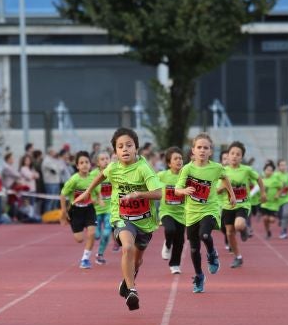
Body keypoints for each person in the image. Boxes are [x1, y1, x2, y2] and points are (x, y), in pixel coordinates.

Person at [75, 127, 163, 311]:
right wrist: (88, 192)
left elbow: (159, 193)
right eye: (120, 146)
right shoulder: (113, 167)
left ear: (136, 148)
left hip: (145, 221)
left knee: (137, 261)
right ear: (115, 151)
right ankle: (132, 290)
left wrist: (138, 194)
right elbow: (101, 175)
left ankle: (128, 280)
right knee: (127, 247)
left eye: (129, 145)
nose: (124, 149)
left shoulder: (143, 168)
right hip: (122, 217)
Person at [175, 133, 236, 293]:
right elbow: (176, 189)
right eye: (199, 147)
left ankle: (211, 253)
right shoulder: (187, 169)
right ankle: (199, 276)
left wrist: (232, 194)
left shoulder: (216, 168)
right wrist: (184, 190)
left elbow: (225, 178)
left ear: (211, 151)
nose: (202, 150)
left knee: (205, 235)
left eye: (206, 148)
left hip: (210, 209)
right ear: (193, 151)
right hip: (191, 212)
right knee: (194, 249)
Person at [220, 141, 266, 268]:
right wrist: (223, 187)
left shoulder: (246, 170)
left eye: (238, 154)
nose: (234, 156)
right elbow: (217, 189)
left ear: (241, 157)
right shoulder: (222, 171)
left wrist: (262, 193)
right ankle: (238, 257)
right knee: (229, 232)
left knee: (239, 225)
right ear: (227, 156)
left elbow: (259, 179)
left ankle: (244, 229)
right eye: (232, 153)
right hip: (227, 205)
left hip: (242, 204)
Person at [60, 151, 100, 269]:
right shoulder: (74, 180)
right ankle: (78, 228)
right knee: (79, 239)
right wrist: (63, 212)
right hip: (76, 211)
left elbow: (97, 191)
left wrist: (98, 199)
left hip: (89, 209)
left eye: (86, 162)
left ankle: (85, 259)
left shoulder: (93, 178)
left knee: (92, 233)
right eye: (81, 163)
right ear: (77, 166)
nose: (84, 165)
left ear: (90, 164)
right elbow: (63, 195)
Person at [157, 146, 187, 274]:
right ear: (169, 163)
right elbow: (148, 181)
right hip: (166, 211)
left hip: (182, 213)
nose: (179, 161)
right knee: (170, 230)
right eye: (175, 159)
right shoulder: (162, 175)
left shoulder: (187, 176)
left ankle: (175, 264)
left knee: (180, 240)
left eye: (180, 158)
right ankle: (167, 244)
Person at [89, 151, 113, 264]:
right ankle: (97, 235)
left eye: (107, 158)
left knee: (107, 233)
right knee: (97, 235)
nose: (105, 161)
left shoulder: (113, 173)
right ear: (98, 163)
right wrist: (94, 198)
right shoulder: (93, 175)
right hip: (96, 209)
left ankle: (100, 253)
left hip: (110, 208)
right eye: (102, 159)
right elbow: (87, 189)